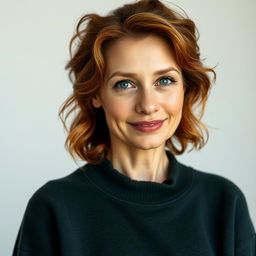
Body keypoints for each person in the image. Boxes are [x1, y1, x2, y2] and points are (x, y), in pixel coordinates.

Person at [12, 0, 255, 255]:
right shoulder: (54, 207)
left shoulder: (224, 203)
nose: (148, 105)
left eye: (164, 80)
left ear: (185, 87)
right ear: (96, 94)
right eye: (125, 84)